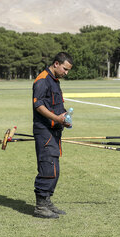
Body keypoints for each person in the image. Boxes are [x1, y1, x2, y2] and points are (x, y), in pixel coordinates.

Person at [32, 52, 73, 218]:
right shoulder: (42, 80)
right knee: (48, 168)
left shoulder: (55, 81)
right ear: (56, 64)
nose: (66, 73)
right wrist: (57, 118)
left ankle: (47, 201)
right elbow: (39, 106)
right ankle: (40, 207)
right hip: (44, 131)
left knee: (54, 168)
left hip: (54, 130)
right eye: (65, 69)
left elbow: (55, 105)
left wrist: (64, 118)